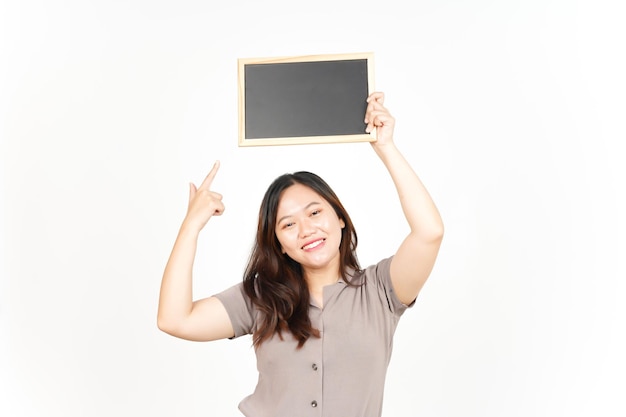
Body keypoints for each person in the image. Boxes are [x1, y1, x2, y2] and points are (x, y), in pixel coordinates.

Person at [157, 91, 444, 417]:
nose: (306, 230)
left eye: (315, 213)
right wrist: (191, 226)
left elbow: (429, 232)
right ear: (278, 242)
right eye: (288, 224)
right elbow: (174, 319)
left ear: (339, 217)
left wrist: (386, 148)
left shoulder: (381, 290)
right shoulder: (260, 298)